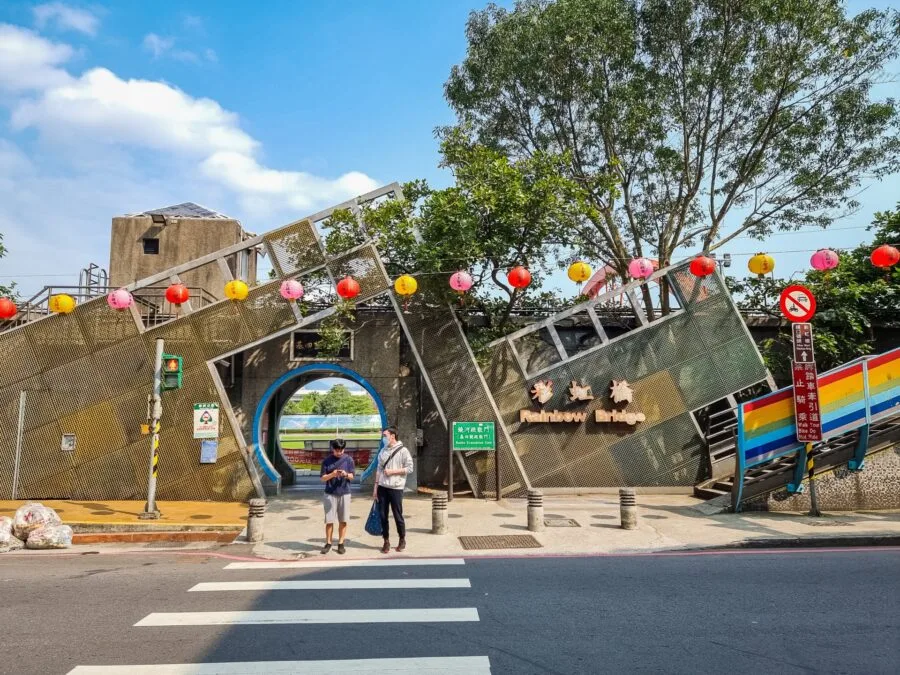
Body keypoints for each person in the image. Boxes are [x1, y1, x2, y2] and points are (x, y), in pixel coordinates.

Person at [374, 426, 413, 554]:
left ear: (392, 436)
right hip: (382, 487)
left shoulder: (403, 451)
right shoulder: (383, 451)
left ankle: (402, 539)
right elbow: (379, 469)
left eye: (385, 435)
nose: (383, 438)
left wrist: (393, 472)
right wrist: (375, 487)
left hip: (396, 488)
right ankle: (386, 541)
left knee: (397, 515)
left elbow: (409, 468)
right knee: (383, 516)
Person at [319, 438, 354, 554]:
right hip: (330, 493)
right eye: (337, 450)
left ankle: (341, 543)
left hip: (345, 493)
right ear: (332, 449)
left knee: (343, 520)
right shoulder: (327, 461)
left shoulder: (349, 460)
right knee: (329, 520)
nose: (339, 452)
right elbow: (322, 478)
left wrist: (346, 474)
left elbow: (352, 476)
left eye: (341, 450)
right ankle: (328, 542)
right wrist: (332, 474)